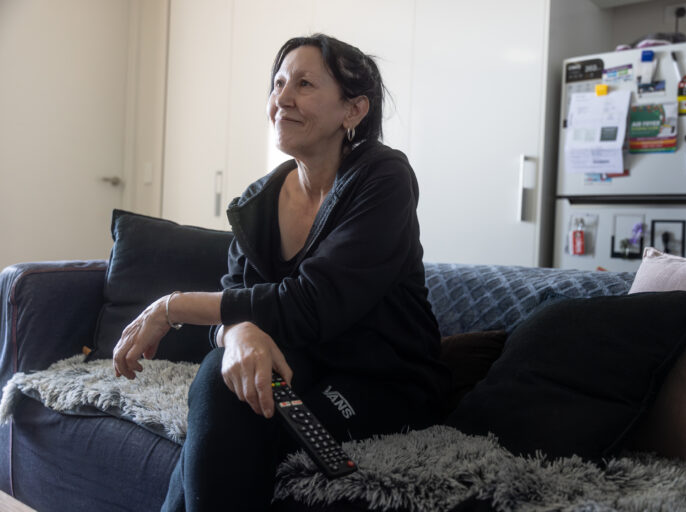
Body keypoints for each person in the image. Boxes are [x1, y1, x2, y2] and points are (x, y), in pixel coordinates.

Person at [112, 33, 450, 511]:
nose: (282, 99)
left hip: (382, 380)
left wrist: (172, 307)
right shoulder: (258, 202)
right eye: (278, 83)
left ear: (353, 111)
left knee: (240, 421)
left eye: (305, 84)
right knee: (221, 378)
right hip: (300, 365)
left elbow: (311, 304)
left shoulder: (383, 178)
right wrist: (237, 335)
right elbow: (236, 299)